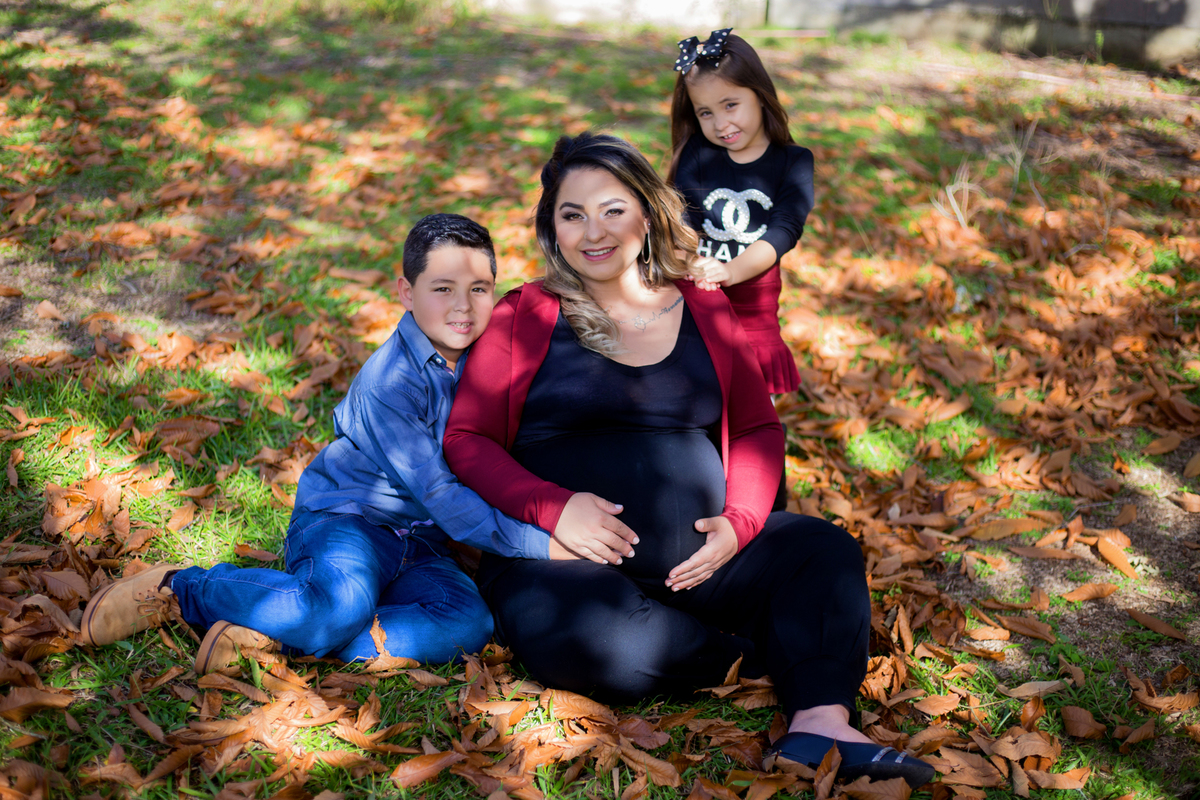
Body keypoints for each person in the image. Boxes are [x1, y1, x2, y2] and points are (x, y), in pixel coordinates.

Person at [443, 132, 933, 788]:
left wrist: (742, 522)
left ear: (646, 213)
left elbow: (758, 425)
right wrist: (556, 510)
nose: (593, 231)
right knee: (586, 640)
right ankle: (750, 655)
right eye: (571, 214)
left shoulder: (702, 306)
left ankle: (819, 724)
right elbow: (466, 440)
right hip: (567, 564)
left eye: (612, 209)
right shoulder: (523, 316)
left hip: (706, 563)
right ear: (550, 226)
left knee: (825, 552)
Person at [79, 214, 611, 673]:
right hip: (350, 521)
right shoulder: (391, 382)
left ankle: (273, 635)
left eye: (479, 289)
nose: (464, 308)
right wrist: (542, 543)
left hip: (424, 543)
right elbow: (443, 494)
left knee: (468, 623)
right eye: (442, 288)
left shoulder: (489, 356)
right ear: (406, 292)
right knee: (334, 608)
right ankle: (184, 589)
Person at [668, 28, 814, 395]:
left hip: (753, 302)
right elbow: (681, 217)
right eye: (705, 112)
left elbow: (784, 230)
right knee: (696, 387)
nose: (721, 124)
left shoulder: (793, 162)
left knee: (752, 398)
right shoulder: (697, 154)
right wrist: (688, 260)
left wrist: (731, 271)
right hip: (697, 294)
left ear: (760, 96)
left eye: (730, 104)